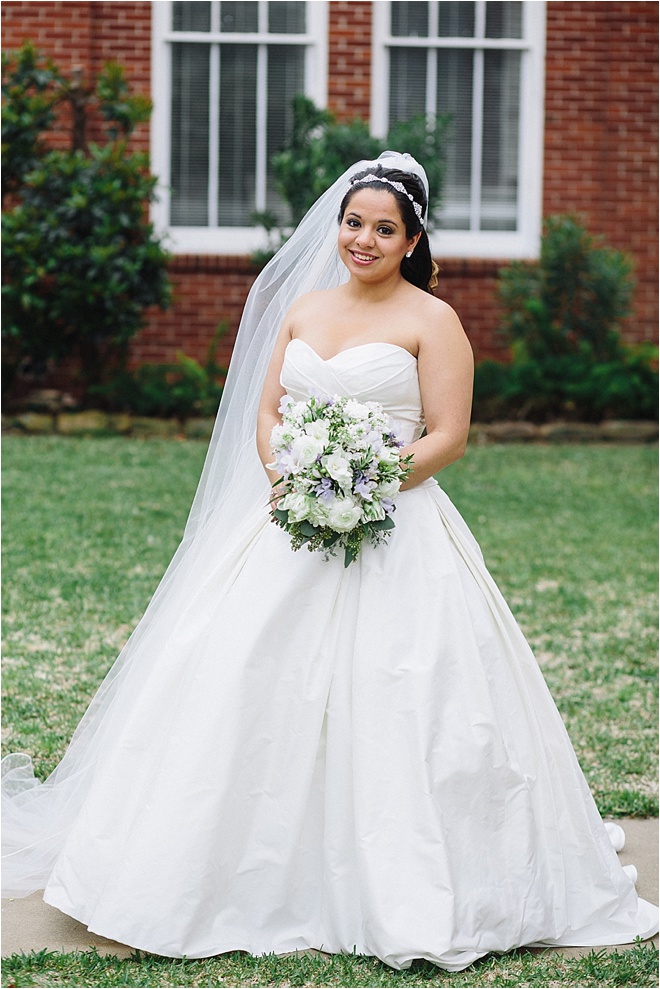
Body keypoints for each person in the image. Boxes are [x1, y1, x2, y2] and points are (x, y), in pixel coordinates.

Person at [2, 152, 657, 971]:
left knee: (407, 695)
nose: (364, 239)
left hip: (399, 530)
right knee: (236, 679)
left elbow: (447, 434)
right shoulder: (304, 309)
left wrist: (368, 481)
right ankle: (184, 875)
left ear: (412, 238)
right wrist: (295, 476)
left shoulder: (433, 320)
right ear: (337, 227)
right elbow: (270, 410)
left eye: (385, 228)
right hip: (291, 524)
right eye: (354, 223)